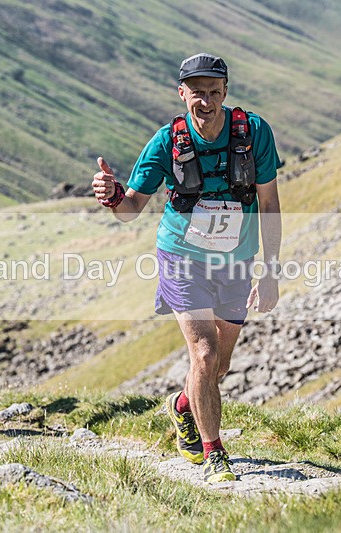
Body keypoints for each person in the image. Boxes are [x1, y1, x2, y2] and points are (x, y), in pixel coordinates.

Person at [92, 53, 282, 483]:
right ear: (182, 94)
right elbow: (130, 210)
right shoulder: (165, 142)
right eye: (197, 92)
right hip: (181, 257)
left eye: (215, 92)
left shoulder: (254, 133)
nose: (207, 101)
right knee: (204, 352)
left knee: (219, 367)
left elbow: (269, 203)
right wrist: (110, 194)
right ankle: (214, 453)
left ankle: (182, 405)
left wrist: (270, 271)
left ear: (226, 93)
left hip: (237, 259)